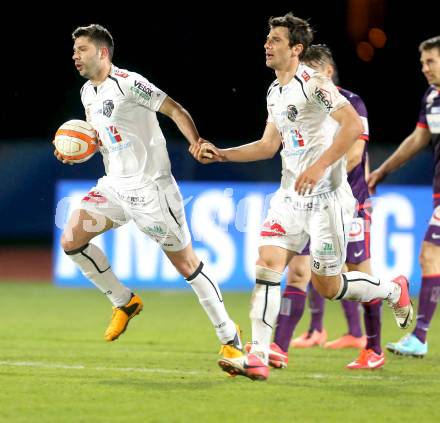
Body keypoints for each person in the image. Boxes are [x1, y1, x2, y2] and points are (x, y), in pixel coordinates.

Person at [192, 12, 412, 381]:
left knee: (330, 286)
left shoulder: (315, 82)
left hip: (328, 199)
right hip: (289, 197)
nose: (267, 44)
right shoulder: (274, 91)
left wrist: (320, 166)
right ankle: (258, 355)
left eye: (276, 40)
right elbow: (267, 145)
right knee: (267, 263)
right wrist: (223, 154)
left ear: (296, 48)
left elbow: (353, 126)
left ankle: (393, 289)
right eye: (267, 38)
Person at [54, 24, 242, 366]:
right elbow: (100, 139)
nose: (75, 56)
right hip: (114, 186)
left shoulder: (129, 83)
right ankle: (124, 301)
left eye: (81, 49)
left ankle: (229, 335)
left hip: (151, 189)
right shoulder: (87, 93)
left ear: (102, 52)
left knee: (186, 265)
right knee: (70, 239)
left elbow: (175, 110)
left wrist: (195, 142)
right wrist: (76, 150)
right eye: (74, 50)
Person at [270, 44, 383, 370]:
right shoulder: (300, 100)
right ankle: (279, 347)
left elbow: (353, 155)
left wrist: (319, 174)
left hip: (349, 201)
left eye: (312, 72)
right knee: (299, 272)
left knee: (356, 274)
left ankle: (372, 348)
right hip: (306, 201)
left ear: (327, 72)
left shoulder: (352, 103)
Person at [368, 35, 440, 358]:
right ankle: (419, 338)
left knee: (429, 254)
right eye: (422, 62)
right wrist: (382, 171)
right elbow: (418, 139)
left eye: (430, 61)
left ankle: (420, 337)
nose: (424, 68)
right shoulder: (431, 98)